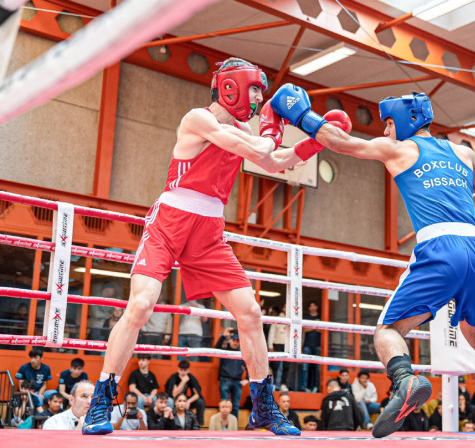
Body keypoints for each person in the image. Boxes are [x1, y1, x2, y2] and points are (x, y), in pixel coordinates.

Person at [81, 57, 320, 436]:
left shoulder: (246, 131)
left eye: (261, 90)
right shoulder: (198, 119)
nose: (259, 97)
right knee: (141, 305)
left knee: (251, 313)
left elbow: (272, 162)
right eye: (255, 88)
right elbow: (254, 147)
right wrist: (273, 127)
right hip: (170, 221)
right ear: (231, 86)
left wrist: (312, 143)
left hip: (209, 230)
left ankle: (263, 407)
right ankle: (100, 400)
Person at [270, 86, 475, 438]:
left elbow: (341, 143)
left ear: (405, 121)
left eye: (388, 123)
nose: (385, 131)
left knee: (387, 331)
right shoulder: (461, 151)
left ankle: (404, 380)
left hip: (440, 245)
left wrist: (301, 115)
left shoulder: (398, 148)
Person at [216, 327, 249, 416]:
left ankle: (233, 429)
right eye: (234, 340)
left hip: (237, 381)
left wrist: (247, 378)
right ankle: (224, 428)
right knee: (224, 406)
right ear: (229, 340)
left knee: (235, 407)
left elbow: (248, 365)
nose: (235, 342)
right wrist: (223, 336)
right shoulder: (225, 351)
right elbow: (216, 349)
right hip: (225, 379)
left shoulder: (241, 352)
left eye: (237, 340)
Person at [299, 300, 321, 392]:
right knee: (305, 367)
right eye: (310, 306)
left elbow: (322, 330)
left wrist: (311, 327)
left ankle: (316, 387)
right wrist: (316, 327)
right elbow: (304, 329)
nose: (312, 307)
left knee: (317, 368)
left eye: (314, 305)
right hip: (307, 345)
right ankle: (305, 387)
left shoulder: (321, 317)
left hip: (318, 346)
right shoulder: (306, 317)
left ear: (316, 307)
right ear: (309, 308)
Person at [267, 305, 288, 390]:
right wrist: (270, 345)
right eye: (285, 307)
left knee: (287, 365)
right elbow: (272, 332)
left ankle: (283, 384)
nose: (286, 309)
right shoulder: (278, 318)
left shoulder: (294, 318)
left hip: (288, 345)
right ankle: (274, 384)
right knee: (275, 365)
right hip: (277, 343)